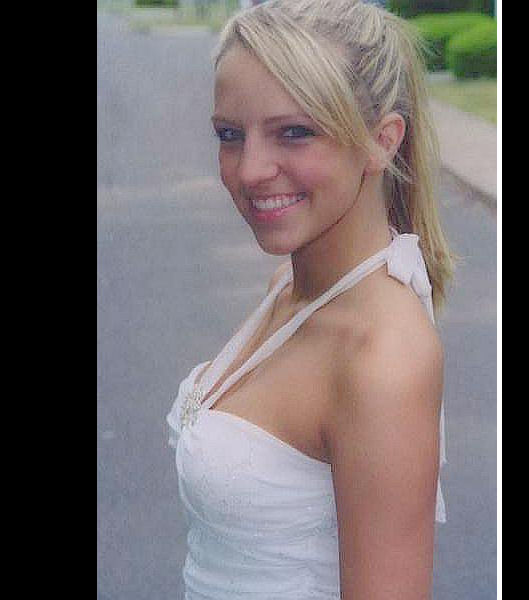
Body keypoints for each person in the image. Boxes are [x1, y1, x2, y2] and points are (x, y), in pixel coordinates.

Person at [167, 0, 455, 598]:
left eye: (294, 132)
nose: (250, 170)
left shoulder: (383, 358)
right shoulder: (290, 287)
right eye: (229, 135)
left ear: (382, 142)